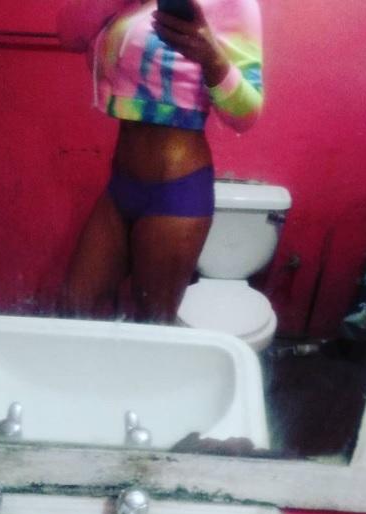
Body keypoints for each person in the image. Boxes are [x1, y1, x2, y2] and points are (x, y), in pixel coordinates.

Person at [56, 0, 263, 323]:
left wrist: (211, 57)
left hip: (175, 191)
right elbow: (69, 35)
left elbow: (246, 115)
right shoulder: (131, 5)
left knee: (153, 323)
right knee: (73, 307)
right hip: (120, 186)